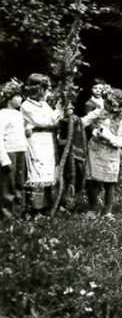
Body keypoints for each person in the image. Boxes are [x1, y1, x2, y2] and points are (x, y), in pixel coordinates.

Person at [81, 87, 122, 218]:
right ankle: (94, 207)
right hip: (95, 150)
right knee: (92, 180)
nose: (106, 106)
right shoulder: (99, 112)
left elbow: (121, 142)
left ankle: (107, 211)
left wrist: (108, 136)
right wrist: (93, 131)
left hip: (111, 152)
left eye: (109, 104)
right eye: (105, 103)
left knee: (110, 182)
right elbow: (83, 122)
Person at [21, 73, 65, 214]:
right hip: (36, 140)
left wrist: (59, 110)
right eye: (46, 89)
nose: (48, 93)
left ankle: (48, 205)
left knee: (48, 171)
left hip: (48, 140)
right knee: (37, 171)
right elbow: (43, 121)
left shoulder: (44, 104)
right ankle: (35, 208)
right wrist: (56, 116)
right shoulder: (27, 105)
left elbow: (53, 118)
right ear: (38, 90)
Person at [0, 79, 28, 219]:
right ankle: (6, 215)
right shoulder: (2, 115)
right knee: (7, 185)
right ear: (8, 98)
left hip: (20, 151)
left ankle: (17, 213)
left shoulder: (18, 114)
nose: (21, 98)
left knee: (19, 183)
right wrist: (4, 159)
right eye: (17, 96)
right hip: (9, 153)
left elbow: (21, 134)